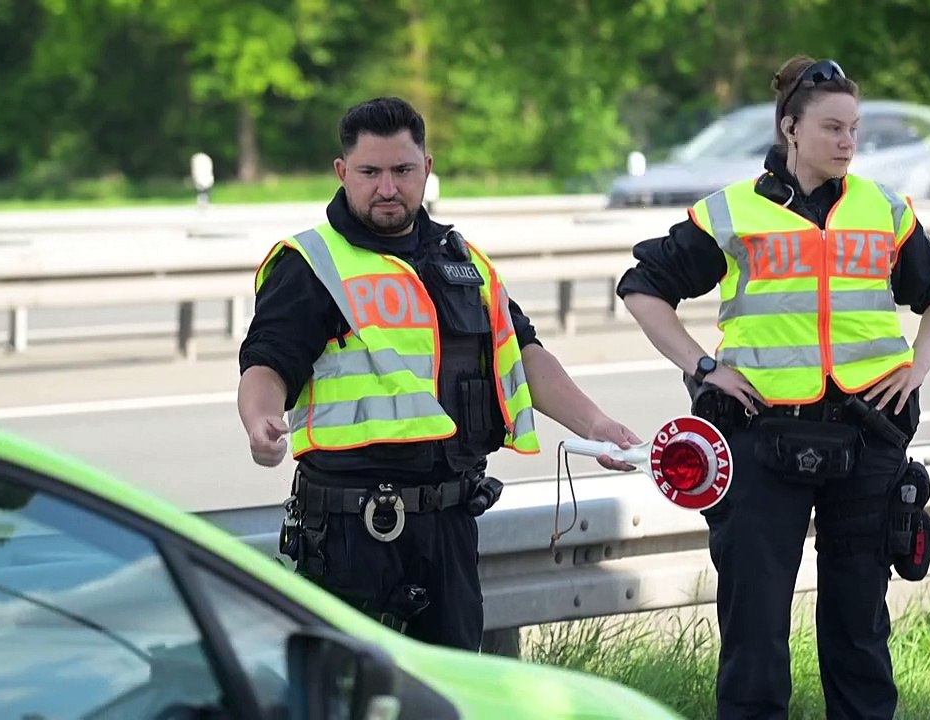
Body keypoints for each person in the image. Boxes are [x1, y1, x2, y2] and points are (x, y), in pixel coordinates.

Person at [616, 56, 930, 719]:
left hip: (867, 434)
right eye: (833, 127)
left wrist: (916, 366)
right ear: (790, 128)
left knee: (860, 625)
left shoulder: (882, 208)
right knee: (754, 628)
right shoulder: (732, 212)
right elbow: (642, 289)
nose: (847, 142)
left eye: (854, 129)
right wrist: (701, 366)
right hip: (758, 439)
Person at [237, 96, 640, 652]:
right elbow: (266, 361)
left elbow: (521, 354)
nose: (387, 188)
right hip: (350, 532)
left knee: (450, 694)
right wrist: (260, 420)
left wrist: (594, 425)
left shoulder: (463, 260)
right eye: (370, 172)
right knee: (354, 698)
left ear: (426, 168)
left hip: (449, 525)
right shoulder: (312, 263)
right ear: (341, 172)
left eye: (402, 171)